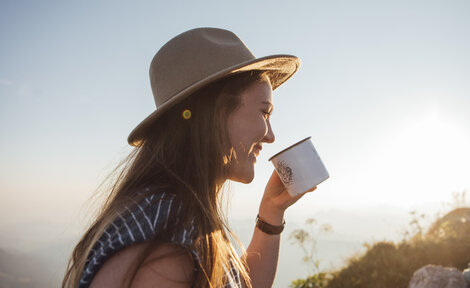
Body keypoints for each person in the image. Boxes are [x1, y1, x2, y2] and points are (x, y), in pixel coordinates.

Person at [63, 27, 315, 287]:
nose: (270, 135)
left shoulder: (177, 219)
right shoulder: (165, 244)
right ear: (216, 114)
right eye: (265, 112)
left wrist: (271, 211)